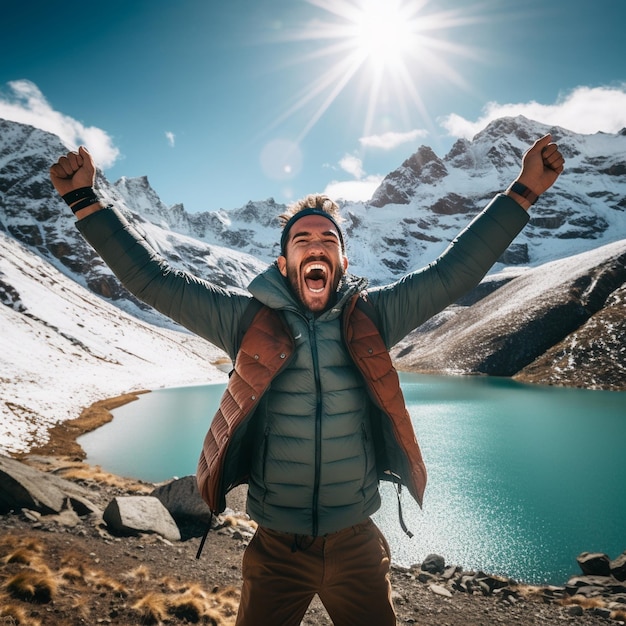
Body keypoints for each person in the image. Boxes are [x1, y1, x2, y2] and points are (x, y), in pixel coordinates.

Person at [49, 134, 564, 625]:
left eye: (327, 240)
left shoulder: (374, 315)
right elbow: (152, 278)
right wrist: (85, 203)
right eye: (302, 239)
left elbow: (454, 270)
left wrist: (523, 192)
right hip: (276, 547)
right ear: (284, 260)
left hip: (356, 542)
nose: (315, 246)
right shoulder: (244, 319)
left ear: (340, 260)